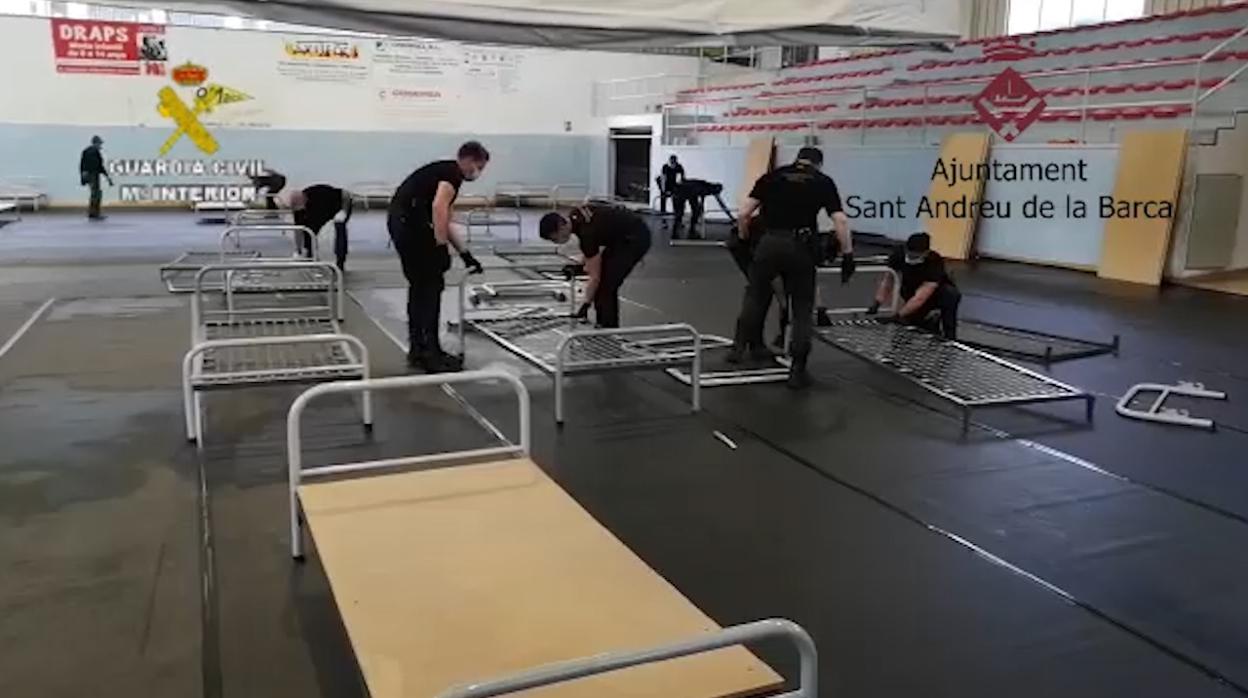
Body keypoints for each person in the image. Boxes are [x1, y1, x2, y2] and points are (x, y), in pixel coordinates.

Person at [731, 146, 854, 389]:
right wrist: (848, 254)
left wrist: (745, 239)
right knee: (801, 309)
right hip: (801, 246)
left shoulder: (772, 176)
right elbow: (840, 220)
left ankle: (738, 349)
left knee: (755, 296)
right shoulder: (822, 181)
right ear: (818, 163)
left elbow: (744, 213)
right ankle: (797, 370)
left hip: (769, 243)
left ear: (797, 158)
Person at [388, 142, 488, 373]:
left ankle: (418, 349)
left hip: (403, 224)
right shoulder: (452, 175)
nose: (478, 173)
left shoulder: (442, 172)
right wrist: (440, 246)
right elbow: (438, 208)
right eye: (478, 167)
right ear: (467, 160)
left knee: (419, 287)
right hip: (411, 228)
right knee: (431, 287)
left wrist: (464, 253)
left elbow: (444, 218)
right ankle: (431, 354)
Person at [538, 203, 651, 328]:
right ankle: (603, 323)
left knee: (606, 287)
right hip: (622, 236)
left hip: (635, 239)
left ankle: (608, 328)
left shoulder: (587, 233)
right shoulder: (575, 215)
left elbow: (595, 277)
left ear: (561, 227)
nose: (557, 243)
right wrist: (580, 266)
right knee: (603, 280)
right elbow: (591, 253)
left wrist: (585, 305)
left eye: (555, 239)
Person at [871, 232, 961, 339]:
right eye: (910, 254)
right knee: (911, 324)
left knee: (950, 295)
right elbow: (888, 280)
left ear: (926, 253)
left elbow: (922, 296)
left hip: (937, 294)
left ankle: (949, 337)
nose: (912, 258)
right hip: (911, 289)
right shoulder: (898, 254)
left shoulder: (934, 261)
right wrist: (877, 302)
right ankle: (929, 322)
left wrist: (898, 315)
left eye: (916, 256)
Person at [286, 185, 353, 271]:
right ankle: (311, 257)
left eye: (302, 207)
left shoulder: (318, 195)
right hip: (322, 211)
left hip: (340, 204)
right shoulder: (299, 210)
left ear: (305, 199)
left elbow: (345, 194)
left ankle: (340, 261)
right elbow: (299, 229)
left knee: (340, 226)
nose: (301, 210)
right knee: (308, 230)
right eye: (299, 209)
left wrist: (344, 210)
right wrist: (298, 250)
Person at [79, 136, 113, 221]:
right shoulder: (92, 152)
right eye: (99, 143)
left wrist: (107, 177)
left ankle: (94, 213)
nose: (100, 145)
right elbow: (98, 166)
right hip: (92, 175)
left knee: (96, 193)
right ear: (95, 143)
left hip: (92, 175)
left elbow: (83, 166)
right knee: (96, 194)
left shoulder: (88, 151)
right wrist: (107, 177)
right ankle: (94, 213)